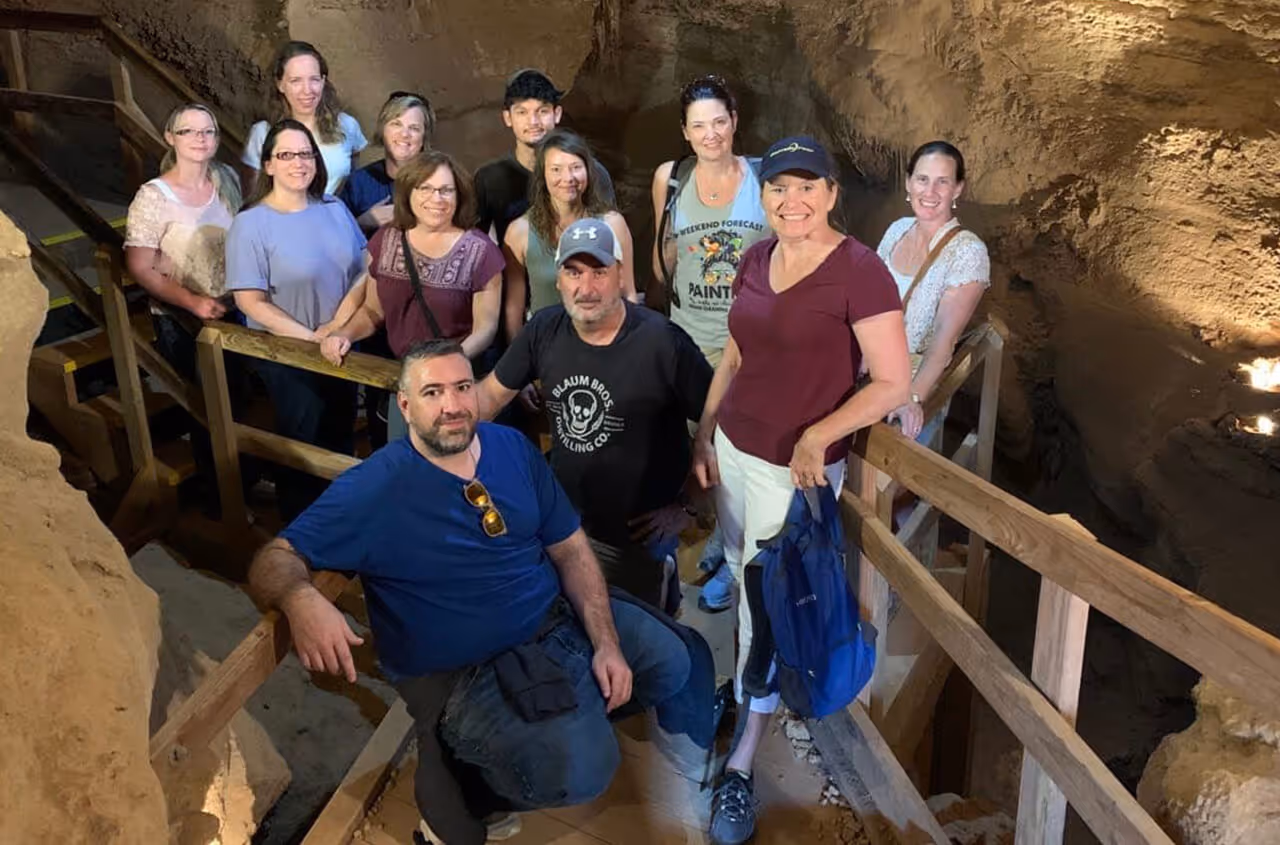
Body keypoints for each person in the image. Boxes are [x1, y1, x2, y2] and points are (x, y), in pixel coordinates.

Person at [249, 339, 702, 845]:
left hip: (551, 620)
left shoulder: (510, 447)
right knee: (584, 770)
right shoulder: (375, 487)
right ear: (405, 406)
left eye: (463, 387)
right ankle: (467, 786)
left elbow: (571, 548)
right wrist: (300, 598)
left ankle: (545, 728)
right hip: (462, 672)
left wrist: (606, 643)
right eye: (433, 392)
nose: (452, 405)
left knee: (671, 661)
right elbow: (273, 559)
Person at [691, 136, 911, 845]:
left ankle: (743, 759)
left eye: (807, 186)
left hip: (793, 471)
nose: (793, 201)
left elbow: (893, 382)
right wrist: (706, 430)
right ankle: (746, 688)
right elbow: (736, 352)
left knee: (769, 604)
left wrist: (820, 434)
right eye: (779, 187)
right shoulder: (756, 258)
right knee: (738, 572)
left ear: (832, 192)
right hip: (736, 448)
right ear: (763, 195)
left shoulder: (860, 272)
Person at [478, 219, 713, 612]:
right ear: (558, 279)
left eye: (598, 272)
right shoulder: (544, 329)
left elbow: (723, 423)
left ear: (620, 275)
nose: (585, 288)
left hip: (637, 534)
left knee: (636, 632)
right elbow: (487, 398)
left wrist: (688, 507)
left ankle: (665, 579)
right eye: (573, 272)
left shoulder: (662, 342)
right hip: (565, 521)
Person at [650, 74, 771, 614]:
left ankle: (735, 557)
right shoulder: (671, 178)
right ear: (684, 130)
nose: (711, 134)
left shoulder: (763, 180)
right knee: (697, 445)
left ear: (735, 121)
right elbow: (662, 257)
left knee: (735, 449)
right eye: (699, 125)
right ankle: (723, 537)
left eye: (719, 121)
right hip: (687, 335)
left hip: (745, 343)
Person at [226, 119, 367, 521]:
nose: (298, 163)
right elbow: (250, 302)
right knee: (303, 446)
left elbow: (364, 269)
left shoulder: (334, 207)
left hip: (339, 345)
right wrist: (310, 339)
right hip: (289, 353)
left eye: (305, 154)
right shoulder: (250, 223)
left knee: (340, 437)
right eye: (286, 155)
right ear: (268, 164)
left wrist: (337, 328)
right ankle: (301, 532)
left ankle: (341, 524)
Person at [320, 151, 504, 442]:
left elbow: (486, 328)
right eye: (425, 188)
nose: (436, 198)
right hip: (405, 381)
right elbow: (372, 311)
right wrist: (344, 334)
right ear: (408, 193)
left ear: (459, 195)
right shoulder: (388, 239)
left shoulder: (481, 251)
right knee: (404, 460)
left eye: (446, 190)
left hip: (457, 384)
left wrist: (444, 364)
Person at [124, 103, 242, 508]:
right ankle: (219, 498)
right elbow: (140, 265)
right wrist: (192, 302)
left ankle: (240, 483)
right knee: (209, 408)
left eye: (208, 131)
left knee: (238, 400)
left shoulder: (225, 180)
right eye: (189, 131)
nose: (200, 139)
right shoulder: (154, 197)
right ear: (170, 137)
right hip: (183, 317)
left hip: (231, 309)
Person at [876, 141, 990, 445]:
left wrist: (911, 398)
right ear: (908, 182)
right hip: (869, 369)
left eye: (943, 182)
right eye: (923, 179)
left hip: (911, 382)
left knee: (882, 461)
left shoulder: (967, 252)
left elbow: (943, 342)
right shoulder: (897, 230)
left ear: (958, 189)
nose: (930, 191)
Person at [502, 129, 636, 347]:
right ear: (543, 175)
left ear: (588, 171)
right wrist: (521, 357)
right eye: (556, 169)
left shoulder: (612, 224)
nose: (568, 178)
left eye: (576, 167)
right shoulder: (519, 231)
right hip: (546, 346)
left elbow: (628, 293)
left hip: (606, 343)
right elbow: (513, 309)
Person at [474, 69, 615, 248]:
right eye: (522, 112)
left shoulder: (589, 173)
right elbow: (472, 245)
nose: (533, 122)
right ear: (508, 117)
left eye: (542, 111)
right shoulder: (490, 179)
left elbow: (612, 238)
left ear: (557, 114)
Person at [241, 41, 367, 196]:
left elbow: (353, 172)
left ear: (323, 81)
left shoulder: (346, 125)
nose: (307, 90)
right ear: (280, 85)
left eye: (314, 79)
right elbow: (252, 197)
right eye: (296, 81)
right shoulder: (262, 133)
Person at [339, 91, 435, 233]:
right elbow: (336, 238)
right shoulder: (358, 183)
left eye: (414, 128)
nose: (404, 134)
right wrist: (362, 222)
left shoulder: (438, 181)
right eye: (396, 124)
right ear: (383, 130)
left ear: (424, 137)